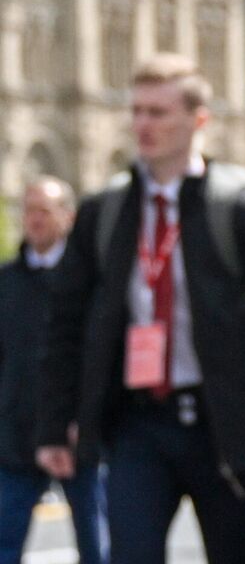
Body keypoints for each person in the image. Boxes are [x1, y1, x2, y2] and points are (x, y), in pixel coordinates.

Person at [36, 54, 245, 564]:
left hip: (225, 428)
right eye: (138, 111)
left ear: (199, 119)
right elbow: (65, 324)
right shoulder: (105, 213)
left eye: (159, 112)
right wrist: (55, 422)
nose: (144, 125)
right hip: (138, 423)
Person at [0, 178, 106, 564]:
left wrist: (88, 416)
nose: (34, 220)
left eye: (44, 210)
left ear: (68, 216)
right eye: (28, 210)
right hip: (17, 435)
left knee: (97, 546)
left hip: (80, 435)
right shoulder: (7, 282)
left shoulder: (90, 280)